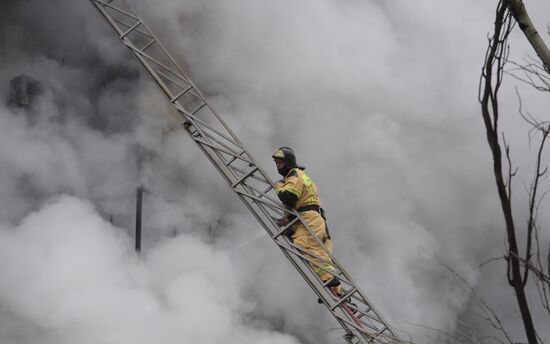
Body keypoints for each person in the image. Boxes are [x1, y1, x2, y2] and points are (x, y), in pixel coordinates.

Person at [272, 146, 342, 296]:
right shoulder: (296, 176)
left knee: (304, 247)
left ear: (288, 162)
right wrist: (287, 220)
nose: (278, 166)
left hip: (309, 218)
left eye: (280, 162)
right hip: (311, 218)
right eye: (276, 163)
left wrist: (277, 186)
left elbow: (289, 197)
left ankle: (330, 280)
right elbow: (298, 203)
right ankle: (336, 291)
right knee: (320, 254)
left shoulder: (295, 175)